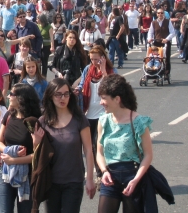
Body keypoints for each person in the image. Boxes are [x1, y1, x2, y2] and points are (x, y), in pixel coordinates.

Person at [33, 78, 96, 213]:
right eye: (58, 94)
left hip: (74, 181)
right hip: (51, 182)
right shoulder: (43, 121)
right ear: (50, 96)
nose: (63, 98)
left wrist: (90, 178)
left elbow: (89, 150)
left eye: (66, 94)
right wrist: (36, 142)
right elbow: (37, 154)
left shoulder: (79, 118)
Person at [96, 74, 153, 213]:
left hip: (133, 176)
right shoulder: (103, 121)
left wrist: (136, 179)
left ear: (117, 99)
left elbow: (148, 155)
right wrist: (104, 171)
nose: (100, 102)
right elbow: (99, 152)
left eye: (104, 98)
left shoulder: (139, 122)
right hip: (110, 176)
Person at [0, 84, 42, 213]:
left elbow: (38, 154)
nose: (9, 96)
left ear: (22, 98)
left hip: (27, 174)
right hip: (5, 172)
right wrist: (9, 152)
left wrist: (14, 160)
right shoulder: (9, 116)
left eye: (12, 94)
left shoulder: (34, 121)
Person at [75, 46, 116, 188]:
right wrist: (77, 90)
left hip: (104, 114)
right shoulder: (88, 69)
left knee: (99, 145)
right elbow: (82, 84)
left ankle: (101, 174)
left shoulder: (110, 71)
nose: (94, 62)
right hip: (88, 113)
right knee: (90, 147)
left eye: (97, 59)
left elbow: (112, 87)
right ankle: (100, 173)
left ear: (103, 58)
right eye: (91, 59)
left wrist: (103, 70)